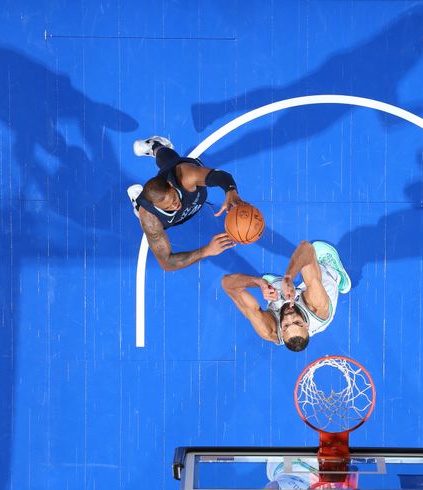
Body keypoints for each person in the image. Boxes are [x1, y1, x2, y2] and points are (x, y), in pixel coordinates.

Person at [127, 136, 243, 271]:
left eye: (174, 198)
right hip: (165, 216)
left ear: (170, 184)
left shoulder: (185, 175)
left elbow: (221, 176)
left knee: (170, 161)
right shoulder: (150, 218)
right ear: (156, 208)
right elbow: (167, 263)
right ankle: (138, 203)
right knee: (142, 212)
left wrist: (230, 191)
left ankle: (155, 146)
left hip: (186, 186)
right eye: (168, 206)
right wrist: (207, 250)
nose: (175, 205)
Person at [221, 241, 350, 352]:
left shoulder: (268, 329)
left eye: (286, 325)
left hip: (283, 301)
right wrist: (289, 277)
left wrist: (258, 282)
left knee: (274, 289)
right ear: (306, 325)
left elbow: (227, 284)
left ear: (281, 332)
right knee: (317, 271)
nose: (289, 317)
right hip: (320, 300)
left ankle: (276, 285)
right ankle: (338, 277)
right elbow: (307, 248)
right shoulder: (317, 306)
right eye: (297, 322)